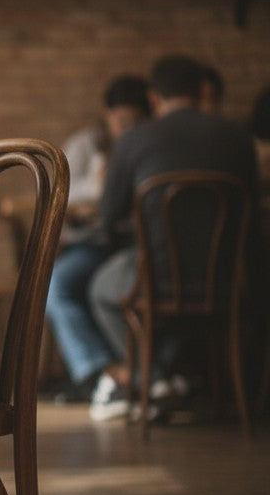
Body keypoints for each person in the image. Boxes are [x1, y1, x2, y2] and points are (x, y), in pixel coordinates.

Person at [87, 54, 259, 423]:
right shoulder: (238, 139)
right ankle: (164, 377)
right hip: (228, 280)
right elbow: (252, 207)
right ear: (201, 92)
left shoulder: (136, 138)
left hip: (154, 278)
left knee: (100, 289)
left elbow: (108, 213)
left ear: (153, 98)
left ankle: (150, 379)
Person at [44, 74, 150, 402]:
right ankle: (103, 371)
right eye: (122, 121)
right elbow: (57, 195)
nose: (127, 129)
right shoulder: (85, 145)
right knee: (55, 286)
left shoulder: (146, 145)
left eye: (135, 122)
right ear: (107, 113)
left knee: (106, 288)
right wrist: (95, 189)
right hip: (91, 244)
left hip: (134, 245)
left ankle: (135, 375)